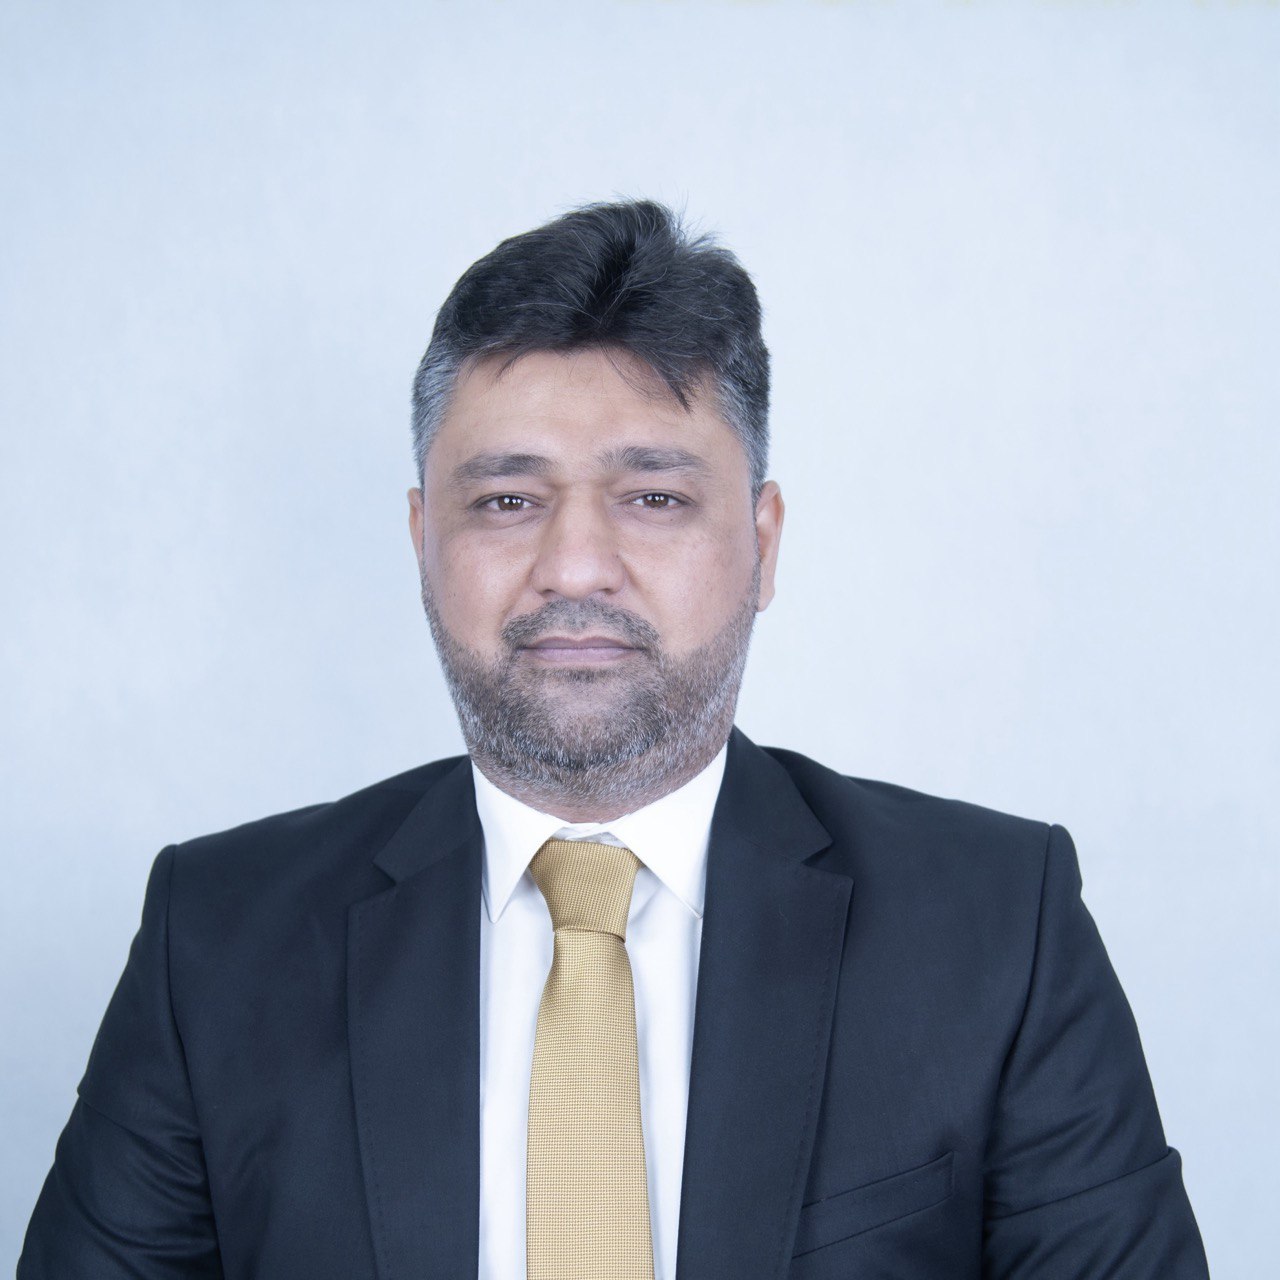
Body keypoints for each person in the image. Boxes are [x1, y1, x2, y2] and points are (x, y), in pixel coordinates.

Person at [19, 200, 1209, 1279]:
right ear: (422, 540)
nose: (575, 566)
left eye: (652, 497)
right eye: (506, 499)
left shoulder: (996, 928)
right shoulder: (216, 939)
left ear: (761, 543)